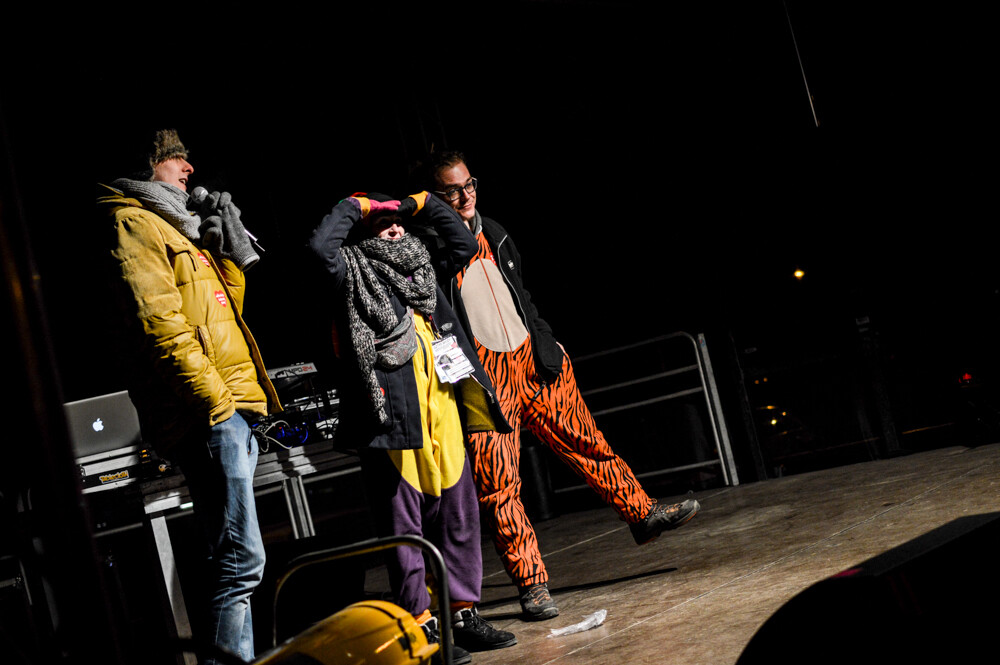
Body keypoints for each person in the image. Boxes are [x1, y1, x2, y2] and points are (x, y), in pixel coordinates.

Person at [419, 151, 701, 621]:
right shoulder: (432, 249)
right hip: (487, 378)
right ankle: (532, 583)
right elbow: (439, 313)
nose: (465, 196)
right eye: (452, 191)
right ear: (433, 197)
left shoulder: (496, 232)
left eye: (470, 185)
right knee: (500, 486)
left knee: (588, 443)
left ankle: (642, 513)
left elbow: (523, 297)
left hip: (533, 363)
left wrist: (547, 343)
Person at [308, 190, 517, 663]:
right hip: (394, 419)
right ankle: (422, 626)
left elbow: (463, 243)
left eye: (398, 222)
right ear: (365, 232)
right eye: (384, 225)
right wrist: (354, 208)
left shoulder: (421, 264)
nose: (396, 229)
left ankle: (462, 615)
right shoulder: (351, 269)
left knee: (459, 519)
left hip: (444, 411)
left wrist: (421, 202)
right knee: (406, 530)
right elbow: (320, 249)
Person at [97, 129, 280, 663]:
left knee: (236, 560)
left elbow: (224, 311)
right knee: (240, 561)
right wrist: (218, 405)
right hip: (209, 413)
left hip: (227, 408)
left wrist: (224, 252)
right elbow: (160, 327)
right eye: (176, 158)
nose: (188, 168)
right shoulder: (133, 222)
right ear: (148, 164)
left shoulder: (178, 224)